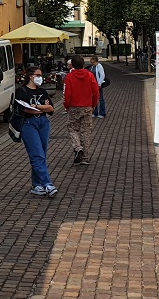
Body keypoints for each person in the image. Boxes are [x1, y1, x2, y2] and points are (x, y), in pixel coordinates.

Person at [16, 65, 57, 196]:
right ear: (30, 76)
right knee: (37, 154)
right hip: (29, 123)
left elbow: (51, 108)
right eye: (37, 75)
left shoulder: (42, 91)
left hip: (43, 123)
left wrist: (38, 107)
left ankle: (36, 184)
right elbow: (26, 109)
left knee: (41, 154)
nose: (40, 78)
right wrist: (42, 108)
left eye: (41, 76)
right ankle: (47, 184)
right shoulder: (22, 91)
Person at [62, 54, 99, 166]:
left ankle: (78, 148)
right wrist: (93, 105)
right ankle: (85, 157)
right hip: (87, 106)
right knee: (85, 131)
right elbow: (95, 91)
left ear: (72, 64)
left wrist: (66, 106)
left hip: (74, 106)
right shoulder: (89, 75)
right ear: (83, 63)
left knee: (72, 128)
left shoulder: (69, 77)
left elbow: (67, 93)